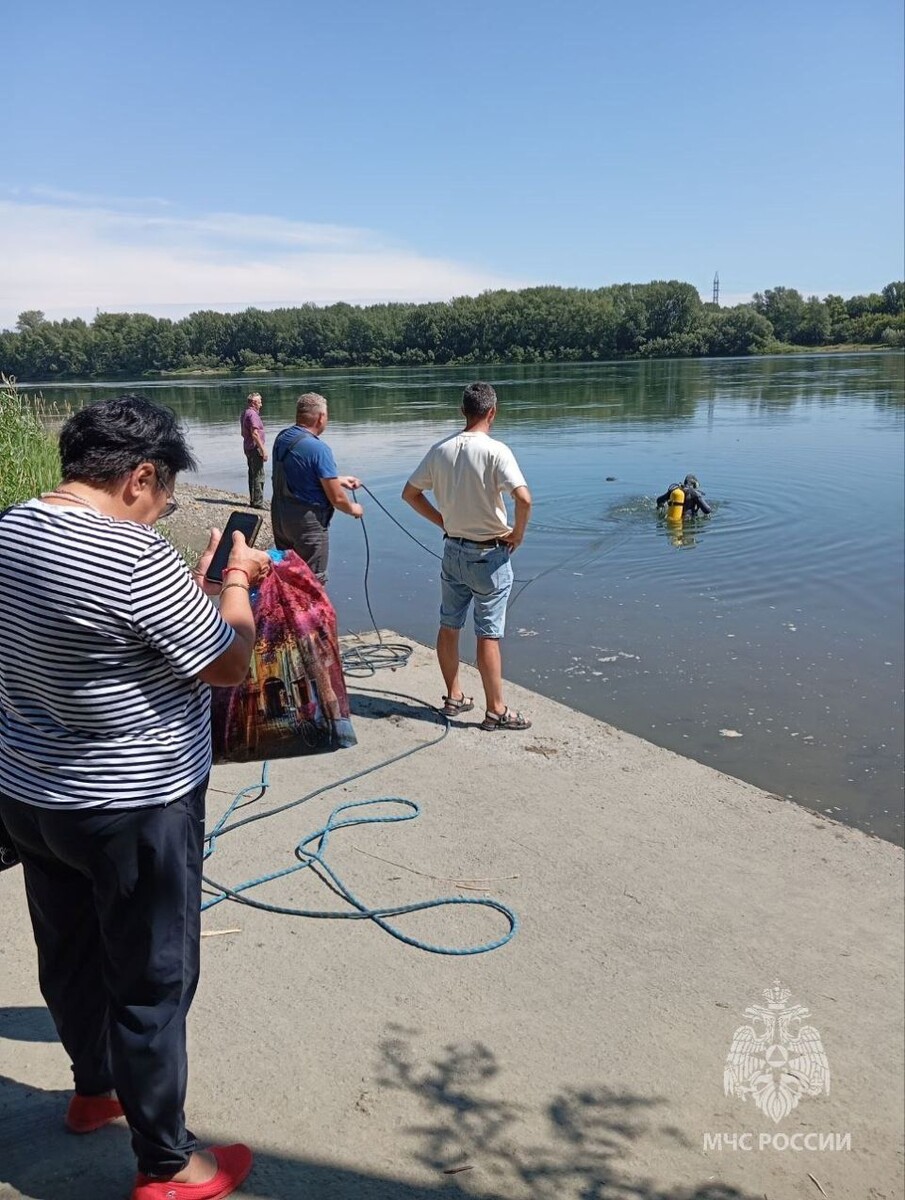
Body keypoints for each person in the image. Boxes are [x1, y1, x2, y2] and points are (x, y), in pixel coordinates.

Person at [0, 395, 272, 1200]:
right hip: (132, 802)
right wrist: (235, 580)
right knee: (153, 977)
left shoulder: (10, 529)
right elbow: (226, 661)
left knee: (72, 953)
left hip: (31, 794)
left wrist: (191, 594)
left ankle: (95, 1092)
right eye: (163, 499)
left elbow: (100, 630)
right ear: (140, 477)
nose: (160, 515)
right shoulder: (129, 552)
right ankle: (167, 1164)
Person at [402, 381, 532, 731]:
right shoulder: (496, 451)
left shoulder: (440, 450)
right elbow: (524, 499)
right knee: (488, 634)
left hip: (452, 550)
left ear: (463, 411)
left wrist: (442, 520)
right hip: (490, 555)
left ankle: (454, 697)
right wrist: (517, 534)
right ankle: (496, 710)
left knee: (449, 624)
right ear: (493, 412)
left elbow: (410, 494)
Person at [270, 391, 363, 583]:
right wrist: (354, 508)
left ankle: (287, 611)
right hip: (307, 526)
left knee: (286, 574)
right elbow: (337, 499)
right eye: (327, 415)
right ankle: (309, 613)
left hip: (281, 518)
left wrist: (340, 479)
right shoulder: (319, 449)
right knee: (312, 581)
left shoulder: (283, 438)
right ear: (320, 417)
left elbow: (301, 475)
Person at [240, 391, 267, 508]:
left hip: (247, 447)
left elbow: (242, 433)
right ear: (254, 403)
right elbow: (255, 434)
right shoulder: (253, 415)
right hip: (255, 448)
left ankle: (253, 500)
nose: (261, 404)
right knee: (258, 475)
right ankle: (258, 503)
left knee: (252, 474)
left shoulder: (245, 413)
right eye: (260, 402)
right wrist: (263, 449)